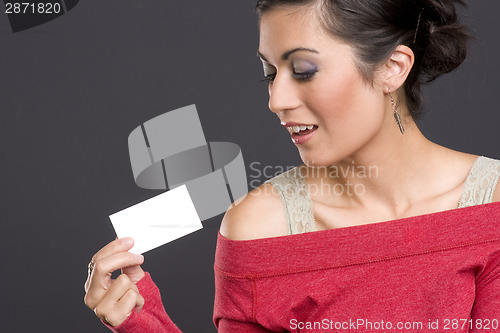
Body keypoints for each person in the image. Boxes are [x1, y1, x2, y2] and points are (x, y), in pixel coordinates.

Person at [84, 0, 500, 332]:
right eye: (270, 73)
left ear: (393, 68)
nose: (276, 100)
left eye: (303, 71)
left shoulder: (491, 205)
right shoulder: (257, 227)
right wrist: (143, 324)